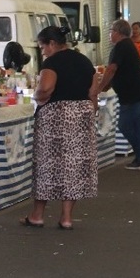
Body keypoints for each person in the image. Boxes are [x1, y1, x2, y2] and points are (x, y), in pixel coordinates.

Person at [20, 26, 98, 231]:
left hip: (56, 117)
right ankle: (66, 218)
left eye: (42, 46)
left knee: (47, 165)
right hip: (82, 116)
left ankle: (37, 215)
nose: (43, 51)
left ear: (52, 44)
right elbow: (93, 92)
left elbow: (46, 88)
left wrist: (38, 97)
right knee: (73, 166)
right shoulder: (84, 61)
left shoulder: (52, 62)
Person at [92, 19, 140, 170]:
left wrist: (99, 87)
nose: (110, 34)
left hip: (132, 94)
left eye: (111, 31)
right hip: (138, 91)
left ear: (117, 32)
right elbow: (120, 70)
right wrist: (107, 85)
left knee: (124, 125)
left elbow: (112, 69)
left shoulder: (120, 47)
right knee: (138, 124)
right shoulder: (127, 45)